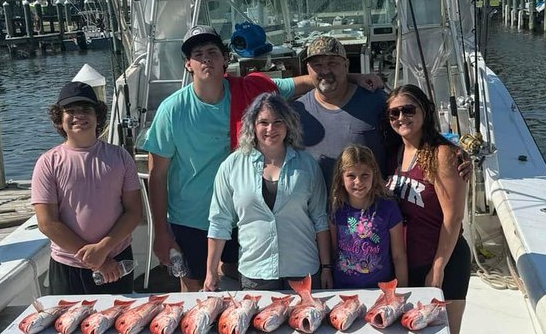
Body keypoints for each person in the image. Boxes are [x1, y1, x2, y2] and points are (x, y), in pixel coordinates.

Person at [142, 25, 378, 291]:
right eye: (198, 54)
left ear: (225, 59)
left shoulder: (249, 90)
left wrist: (351, 76)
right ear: (188, 64)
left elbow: (304, 81)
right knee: (196, 292)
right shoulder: (171, 110)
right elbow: (157, 174)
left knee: (238, 279)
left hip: (244, 215)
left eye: (212, 52)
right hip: (192, 220)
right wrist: (161, 231)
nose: (206, 59)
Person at [380, 83, 475, 334]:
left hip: (443, 262)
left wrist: (438, 268)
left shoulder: (443, 155)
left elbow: (453, 218)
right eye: (394, 113)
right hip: (406, 263)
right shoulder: (394, 154)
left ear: (425, 111)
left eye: (408, 110)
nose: (401, 117)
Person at [205, 92, 330, 291]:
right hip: (256, 273)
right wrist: (211, 272)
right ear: (252, 125)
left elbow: (320, 219)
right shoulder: (232, 166)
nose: (270, 129)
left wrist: (326, 268)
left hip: (303, 271)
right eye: (263, 122)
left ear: (288, 125)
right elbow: (219, 222)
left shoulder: (308, 165)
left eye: (278, 121)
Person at [31, 81, 143, 295]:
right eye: (70, 111)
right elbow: (47, 223)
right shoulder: (47, 163)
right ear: (59, 118)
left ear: (97, 116)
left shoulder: (120, 157)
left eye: (85, 110)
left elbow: (134, 211)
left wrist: (103, 249)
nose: (78, 116)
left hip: (116, 261)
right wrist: (95, 260)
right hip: (68, 266)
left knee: (120, 325)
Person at [293, 35, 389, 184]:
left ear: (346, 65)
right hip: (319, 206)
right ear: (308, 69)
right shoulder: (296, 112)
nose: (325, 70)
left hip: (371, 205)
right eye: (317, 65)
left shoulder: (378, 101)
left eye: (332, 63)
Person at [330, 144, 407, 289]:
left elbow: (398, 256)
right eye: (351, 176)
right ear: (341, 178)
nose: (358, 182)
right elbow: (335, 250)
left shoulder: (388, 208)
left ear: (374, 175)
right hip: (343, 290)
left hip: (381, 290)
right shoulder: (336, 209)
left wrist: (402, 290)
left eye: (365, 175)